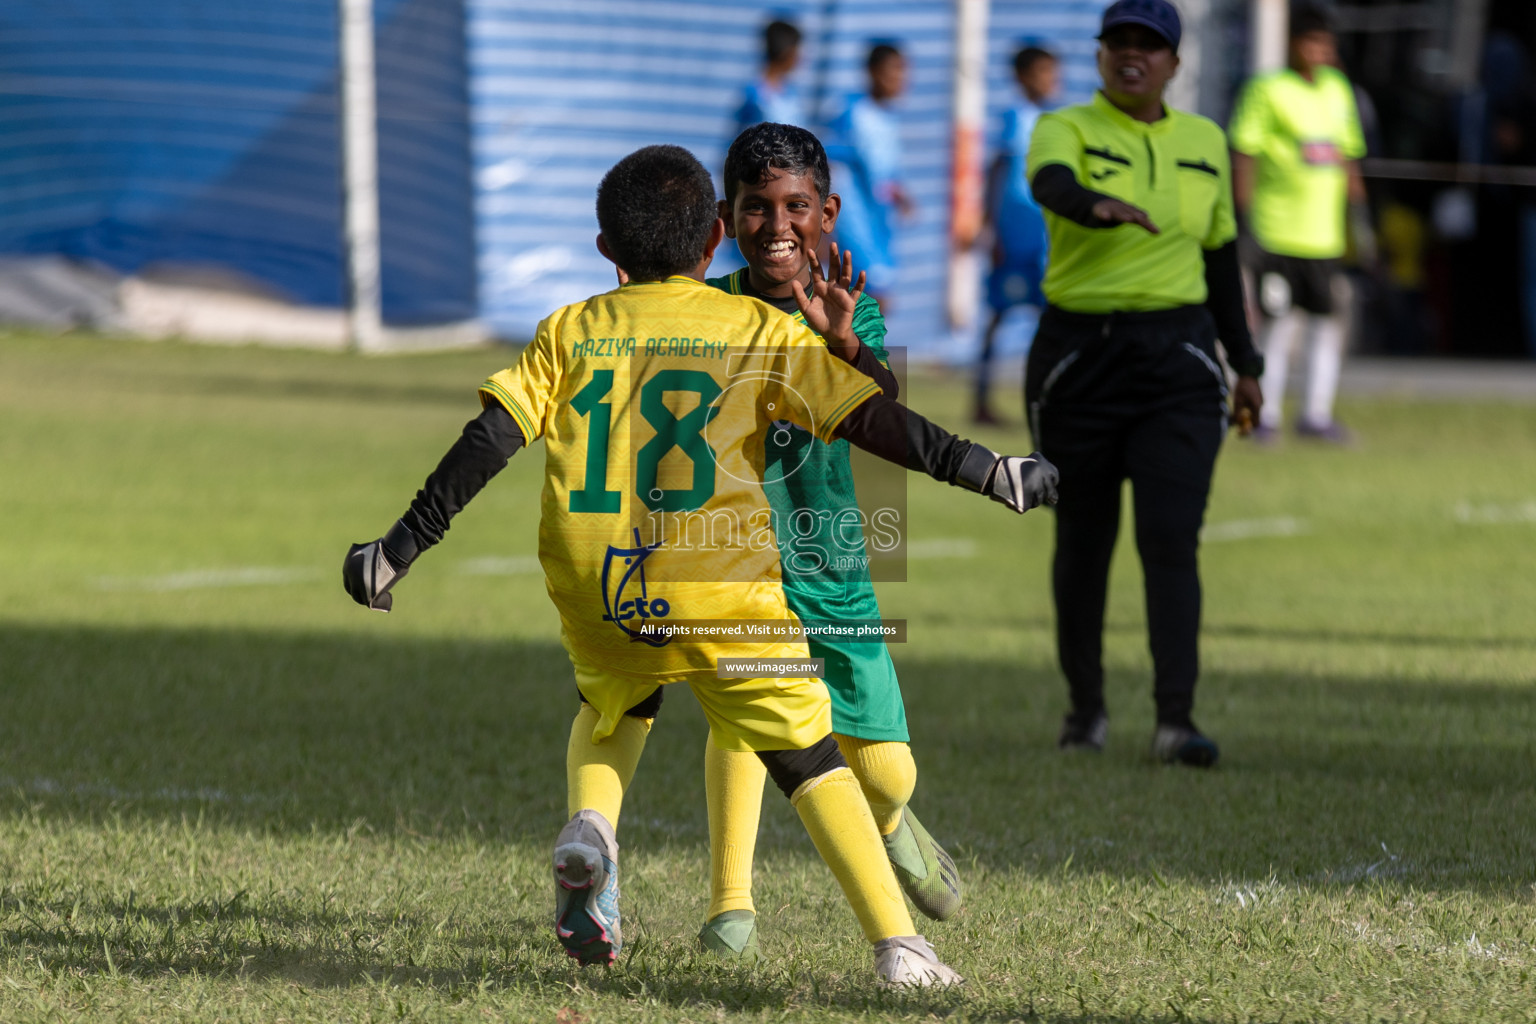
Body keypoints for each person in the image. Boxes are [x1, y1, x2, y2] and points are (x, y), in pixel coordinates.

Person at [342, 145, 1059, 985]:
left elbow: (489, 440)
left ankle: (592, 826)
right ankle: (899, 947)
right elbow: (878, 427)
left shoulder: (569, 329)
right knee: (809, 758)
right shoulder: (756, 329)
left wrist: (397, 548)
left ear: (607, 250)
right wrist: (992, 471)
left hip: (597, 581)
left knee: (615, 707)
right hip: (723, 587)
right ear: (718, 235)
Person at [697, 122, 960, 962]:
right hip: (739, 566)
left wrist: (843, 341)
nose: (777, 225)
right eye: (755, 208)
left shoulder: (856, 306)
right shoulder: (711, 310)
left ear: (828, 212)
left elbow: (883, 414)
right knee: (743, 719)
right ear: (726, 218)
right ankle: (729, 906)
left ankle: (890, 819)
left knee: (885, 767)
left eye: (796, 206)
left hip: (834, 561)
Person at [1023, 0, 1264, 766]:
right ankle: (1086, 710)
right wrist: (1096, 205)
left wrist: (1247, 364)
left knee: (1170, 538)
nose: (1133, 56)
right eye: (1119, 43)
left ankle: (1175, 721)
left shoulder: (1205, 142)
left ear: (1174, 62)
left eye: (1149, 46)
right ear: (1100, 55)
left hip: (1180, 363)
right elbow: (1052, 186)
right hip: (1079, 360)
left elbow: (1222, 258)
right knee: (1084, 540)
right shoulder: (1065, 128)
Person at [1229, 4, 1366, 442]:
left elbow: (1347, 156)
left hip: (1323, 236)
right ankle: (1262, 418)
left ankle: (1316, 415)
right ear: (1292, 43)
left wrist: (1359, 219)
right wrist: (1244, 220)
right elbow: (1244, 154)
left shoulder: (1338, 89)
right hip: (1276, 232)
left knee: (1326, 324)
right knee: (1278, 324)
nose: (1319, 52)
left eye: (1326, 44)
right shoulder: (1267, 89)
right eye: (1311, 42)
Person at [975, 45, 1062, 425]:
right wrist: (991, 230)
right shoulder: (1016, 119)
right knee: (998, 316)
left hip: (1042, 243)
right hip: (1013, 242)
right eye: (1044, 73)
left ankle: (1049, 400)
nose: (1051, 82)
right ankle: (981, 399)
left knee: (1053, 319)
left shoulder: (1052, 122)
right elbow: (998, 173)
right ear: (1024, 77)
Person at [825, 43, 914, 304]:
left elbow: (883, 171)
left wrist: (900, 195)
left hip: (880, 223)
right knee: (872, 298)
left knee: (868, 303)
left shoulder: (888, 117)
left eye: (902, 71)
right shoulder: (850, 112)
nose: (899, 78)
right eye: (892, 70)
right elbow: (828, 162)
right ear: (872, 72)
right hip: (854, 223)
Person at [736, 19, 806, 133]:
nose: (800, 58)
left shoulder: (790, 94)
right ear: (787, 52)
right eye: (797, 51)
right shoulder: (754, 96)